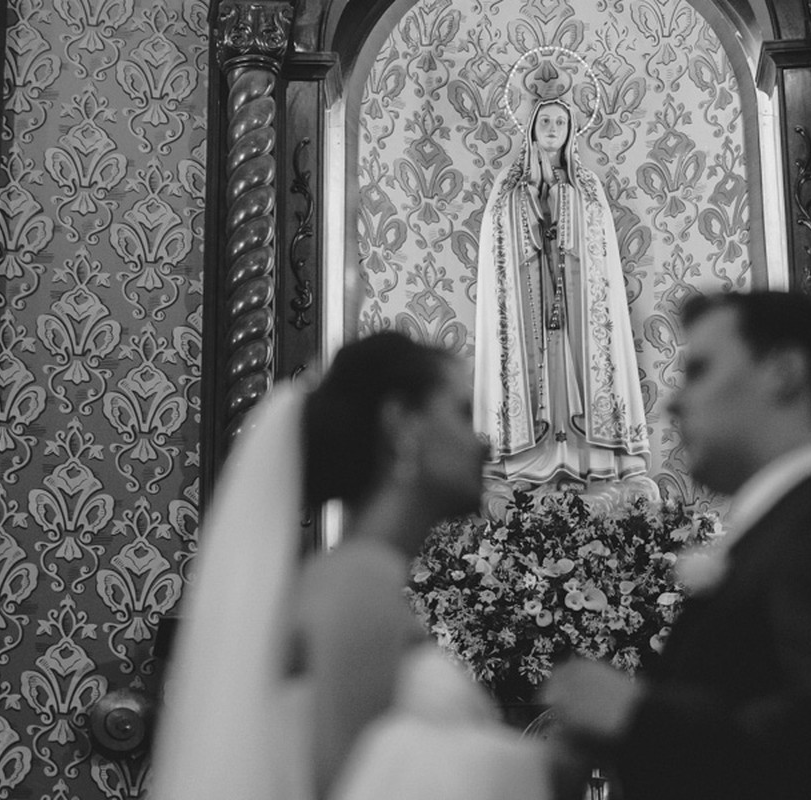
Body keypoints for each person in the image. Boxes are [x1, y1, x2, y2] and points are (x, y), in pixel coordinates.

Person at [540, 291, 811, 800]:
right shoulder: (782, 531)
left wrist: (636, 717)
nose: (673, 401)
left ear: (783, 371)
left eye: (699, 370)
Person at [149, 332, 549, 800]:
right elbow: (349, 786)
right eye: (462, 413)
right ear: (403, 423)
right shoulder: (362, 581)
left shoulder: (360, 573)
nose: (483, 444)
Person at [473, 97, 649, 487]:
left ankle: (587, 456)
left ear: (571, 131)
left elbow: (598, 246)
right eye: (546, 121)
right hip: (529, 300)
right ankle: (532, 458)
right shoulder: (511, 185)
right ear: (532, 127)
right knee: (534, 366)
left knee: (577, 363)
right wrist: (534, 208)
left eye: (561, 122)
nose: (553, 128)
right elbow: (497, 244)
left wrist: (564, 204)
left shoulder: (585, 185)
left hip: (576, 305)